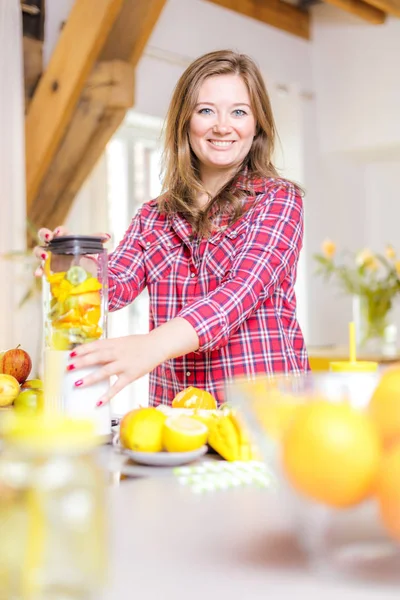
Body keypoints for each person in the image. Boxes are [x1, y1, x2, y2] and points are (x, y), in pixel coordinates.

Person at [35, 49, 309, 407]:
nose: (222, 125)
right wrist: (71, 262)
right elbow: (115, 286)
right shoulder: (154, 216)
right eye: (206, 110)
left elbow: (238, 295)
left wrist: (150, 346)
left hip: (264, 415)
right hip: (174, 417)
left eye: (239, 112)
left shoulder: (279, 200)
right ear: (186, 120)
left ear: (257, 125)